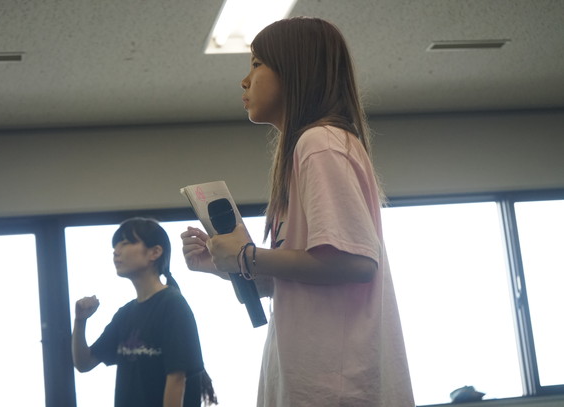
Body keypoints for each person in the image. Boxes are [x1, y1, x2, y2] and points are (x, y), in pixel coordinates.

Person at [180, 17, 414, 407]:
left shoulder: (319, 143)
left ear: (295, 71)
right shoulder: (309, 149)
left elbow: (355, 262)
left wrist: (248, 255)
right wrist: (228, 264)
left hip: (335, 387)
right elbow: (300, 279)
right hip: (312, 379)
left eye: (256, 64)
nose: (244, 80)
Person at [72, 217, 217, 407]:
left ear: (155, 252)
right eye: (115, 246)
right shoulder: (125, 314)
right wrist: (80, 321)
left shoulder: (173, 305)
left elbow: (176, 380)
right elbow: (84, 363)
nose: (116, 251)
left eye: (125, 243)